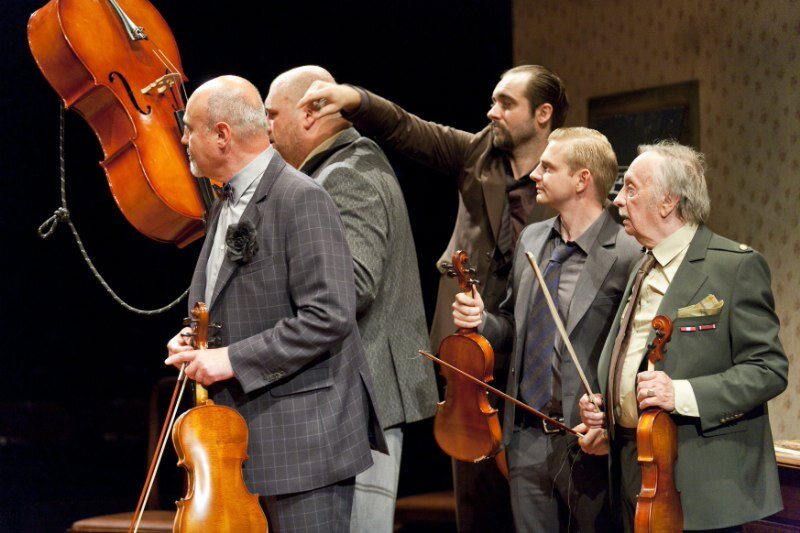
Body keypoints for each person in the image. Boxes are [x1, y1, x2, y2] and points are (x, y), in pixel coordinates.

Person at [298, 65, 569, 532]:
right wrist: (354, 98)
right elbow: (406, 128)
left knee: (540, 509)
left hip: (537, 356)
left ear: (542, 115)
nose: (492, 112)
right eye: (493, 100)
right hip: (470, 358)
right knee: (478, 509)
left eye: (506, 104)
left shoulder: (565, 172)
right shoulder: (476, 155)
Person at [164, 75, 386, 533]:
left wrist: (228, 359)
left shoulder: (301, 198)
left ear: (222, 135)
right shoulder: (224, 201)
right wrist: (195, 339)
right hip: (246, 437)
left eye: (189, 129)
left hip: (303, 443)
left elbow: (329, 315)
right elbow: (236, 301)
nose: (182, 140)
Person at [264, 65, 439, 533]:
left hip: (362, 401)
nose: (266, 128)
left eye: (272, 115)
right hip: (356, 399)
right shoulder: (341, 167)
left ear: (310, 114)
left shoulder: (347, 174)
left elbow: (353, 286)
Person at [579, 141, 788, 531]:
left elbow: (768, 370)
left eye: (630, 188)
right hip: (631, 473)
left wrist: (681, 393)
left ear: (668, 201)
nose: (617, 200)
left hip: (700, 486)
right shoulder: (641, 265)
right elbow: (634, 355)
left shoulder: (734, 266)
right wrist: (609, 407)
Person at [452, 127, 641, 532]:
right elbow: (512, 328)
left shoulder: (628, 252)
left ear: (582, 180)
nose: (535, 174)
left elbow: (636, 354)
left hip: (587, 441)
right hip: (525, 439)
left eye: (548, 167)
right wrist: (482, 321)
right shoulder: (532, 240)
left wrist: (610, 423)